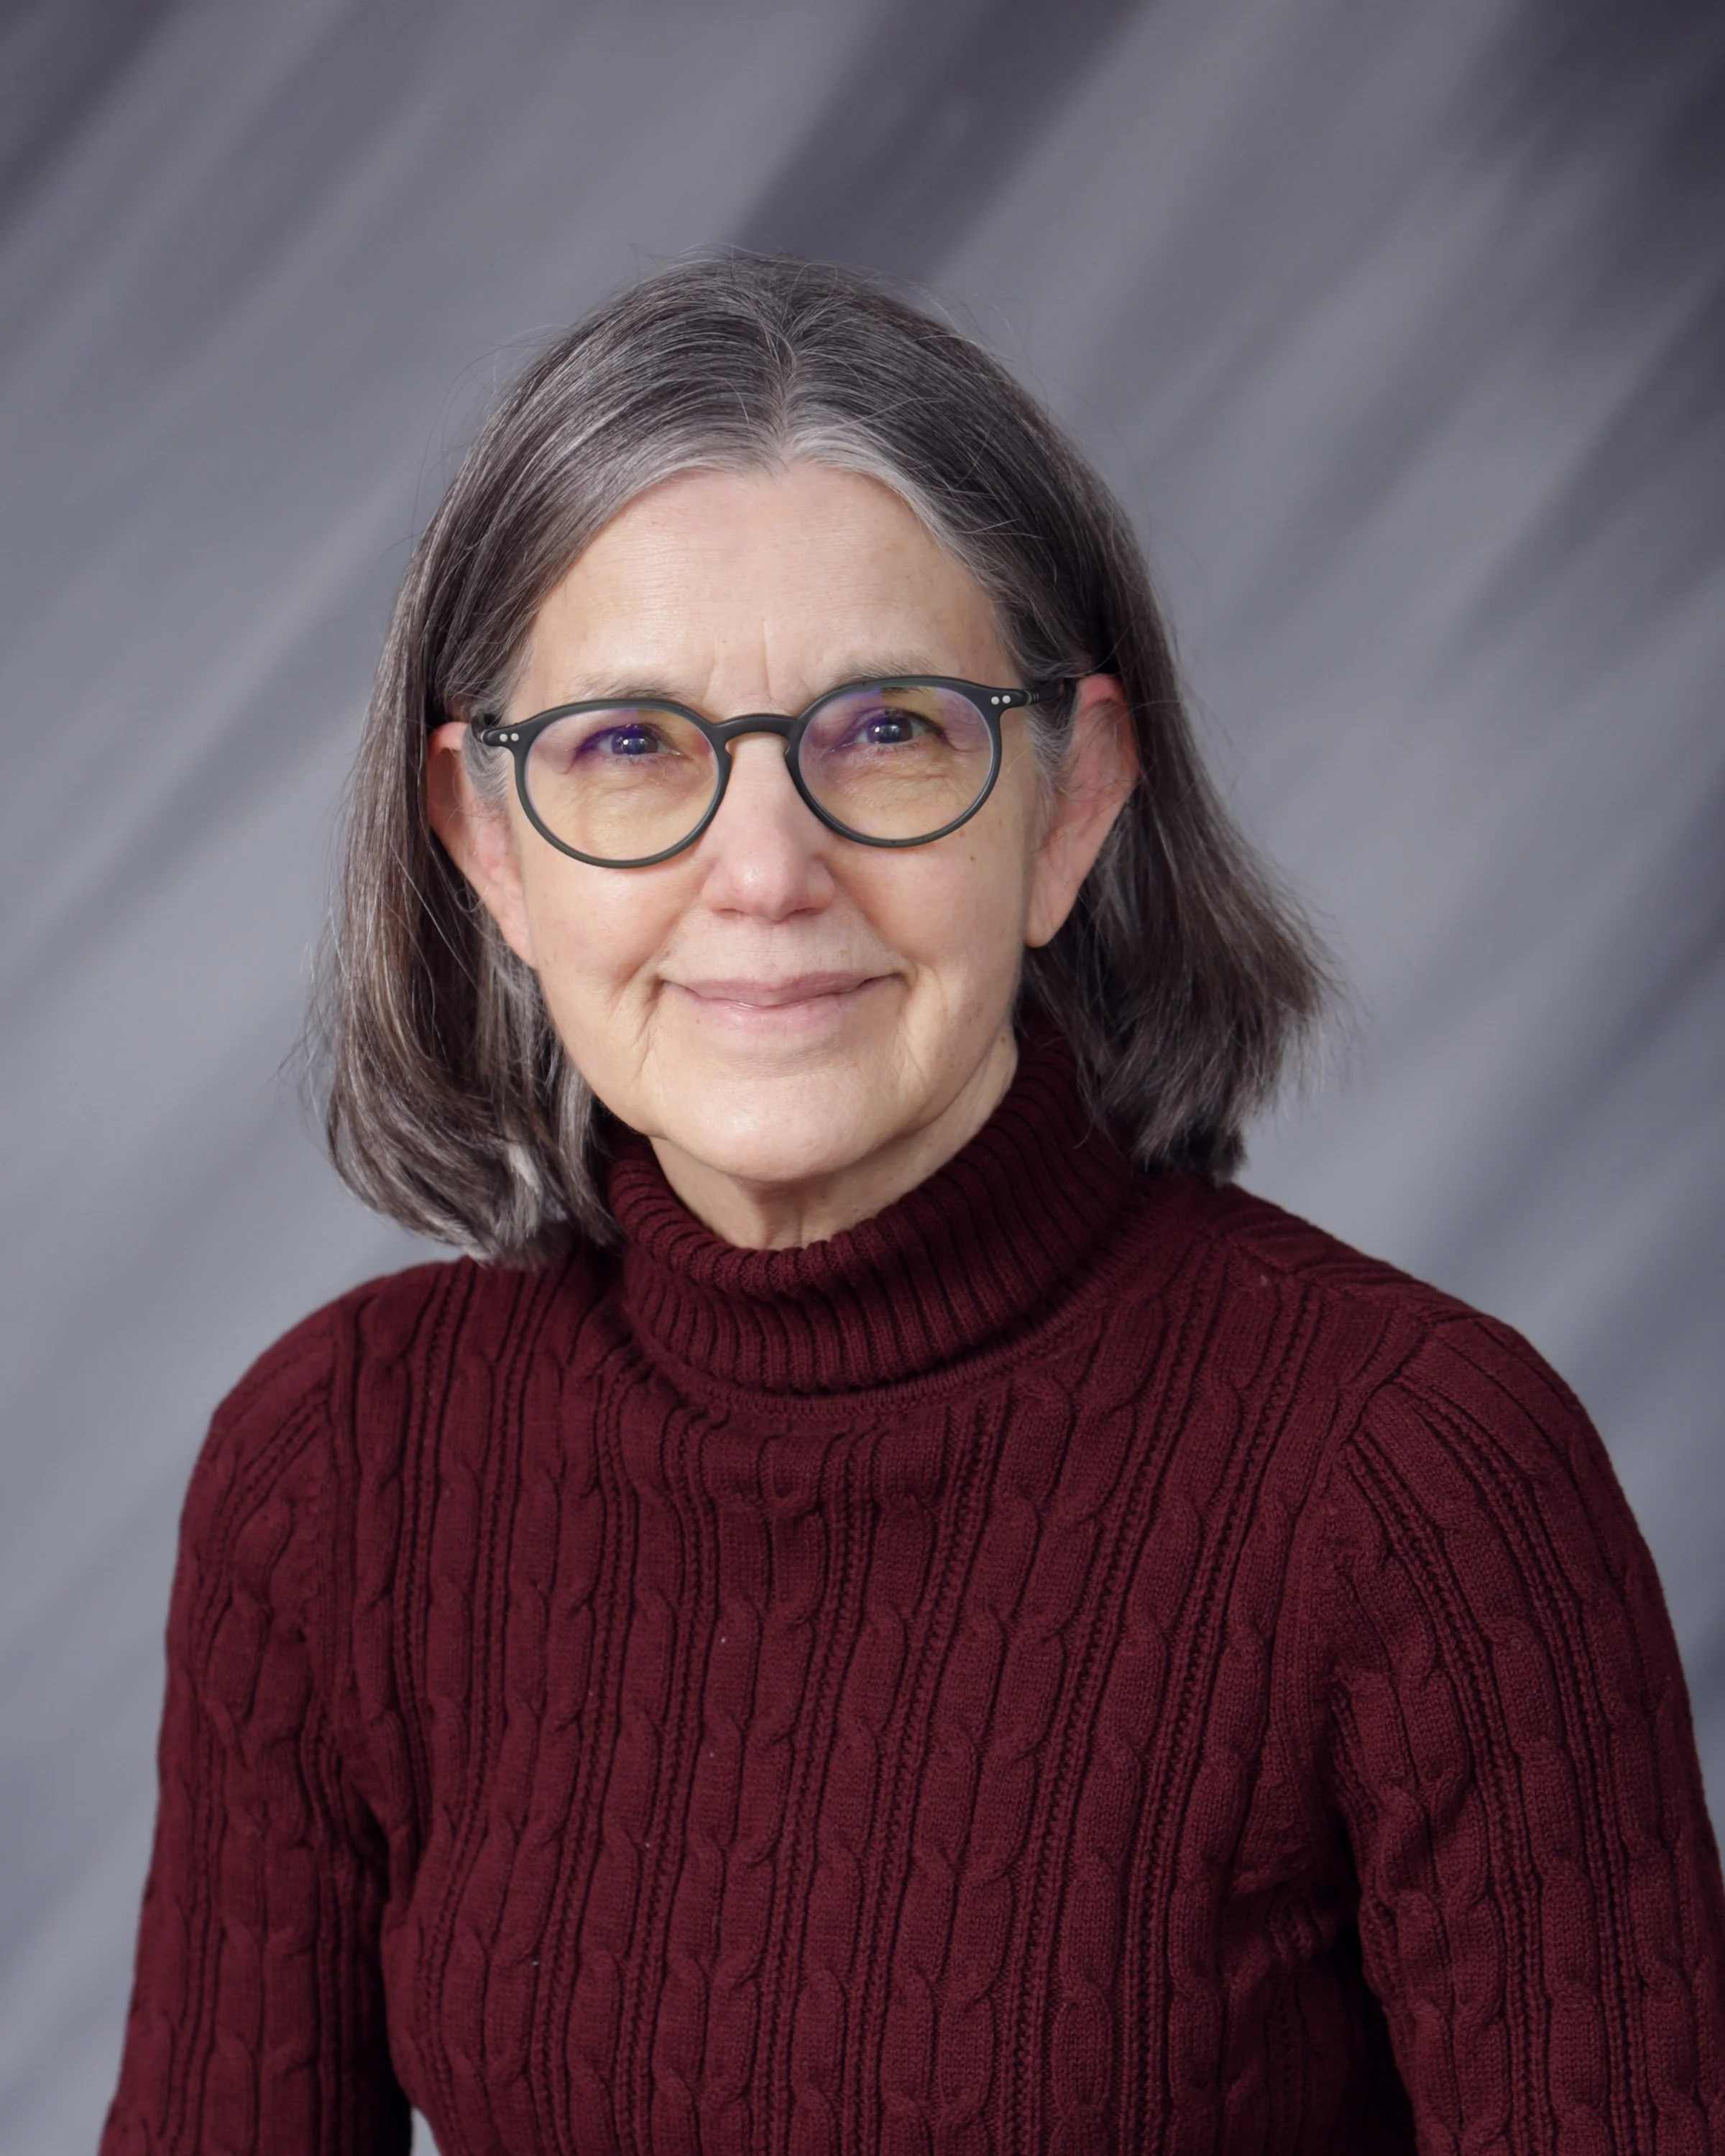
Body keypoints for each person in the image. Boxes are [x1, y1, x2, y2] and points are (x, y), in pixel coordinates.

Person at [103, 254, 1725, 2155]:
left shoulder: (1416, 1480)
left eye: (890, 732)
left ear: (1070, 803)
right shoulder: (340, 1476)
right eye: (630, 749)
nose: (766, 870)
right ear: (488, 845)